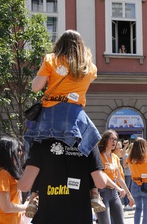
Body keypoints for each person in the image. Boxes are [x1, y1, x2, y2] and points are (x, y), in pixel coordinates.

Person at [21, 30, 106, 218]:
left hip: (50, 117)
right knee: (89, 148)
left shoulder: (51, 59)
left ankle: (34, 195)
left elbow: (36, 87)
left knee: (33, 146)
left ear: (59, 44)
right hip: (76, 118)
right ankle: (94, 193)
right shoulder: (90, 67)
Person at [97, 130, 134, 224]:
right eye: (111, 139)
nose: (114, 142)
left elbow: (119, 178)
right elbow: (103, 175)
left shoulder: (115, 157)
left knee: (120, 221)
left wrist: (129, 195)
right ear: (105, 140)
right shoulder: (99, 156)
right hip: (102, 192)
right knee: (105, 222)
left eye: (115, 139)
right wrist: (118, 188)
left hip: (114, 193)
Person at [127, 137, 147, 224]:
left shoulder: (130, 157)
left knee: (138, 208)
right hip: (146, 184)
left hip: (134, 184)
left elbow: (131, 171)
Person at [0, 136, 27, 224]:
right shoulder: (3, 174)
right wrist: (26, 206)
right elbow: (6, 207)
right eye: (18, 150)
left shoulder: (6, 173)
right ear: (9, 152)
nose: (20, 153)